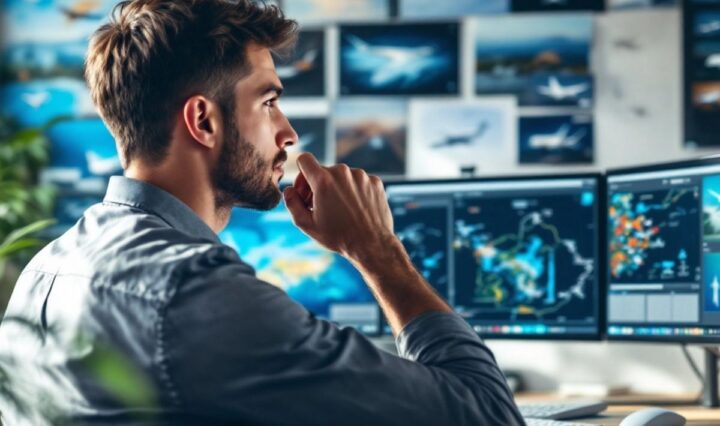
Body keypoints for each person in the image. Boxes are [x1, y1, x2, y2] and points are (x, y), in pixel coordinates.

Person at [0, 1, 524, 425]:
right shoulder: (196, 292)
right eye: (268, 102)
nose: (289, 133)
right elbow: (487, 415)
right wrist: (377, 252)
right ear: (202, 120)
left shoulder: (45, 268)